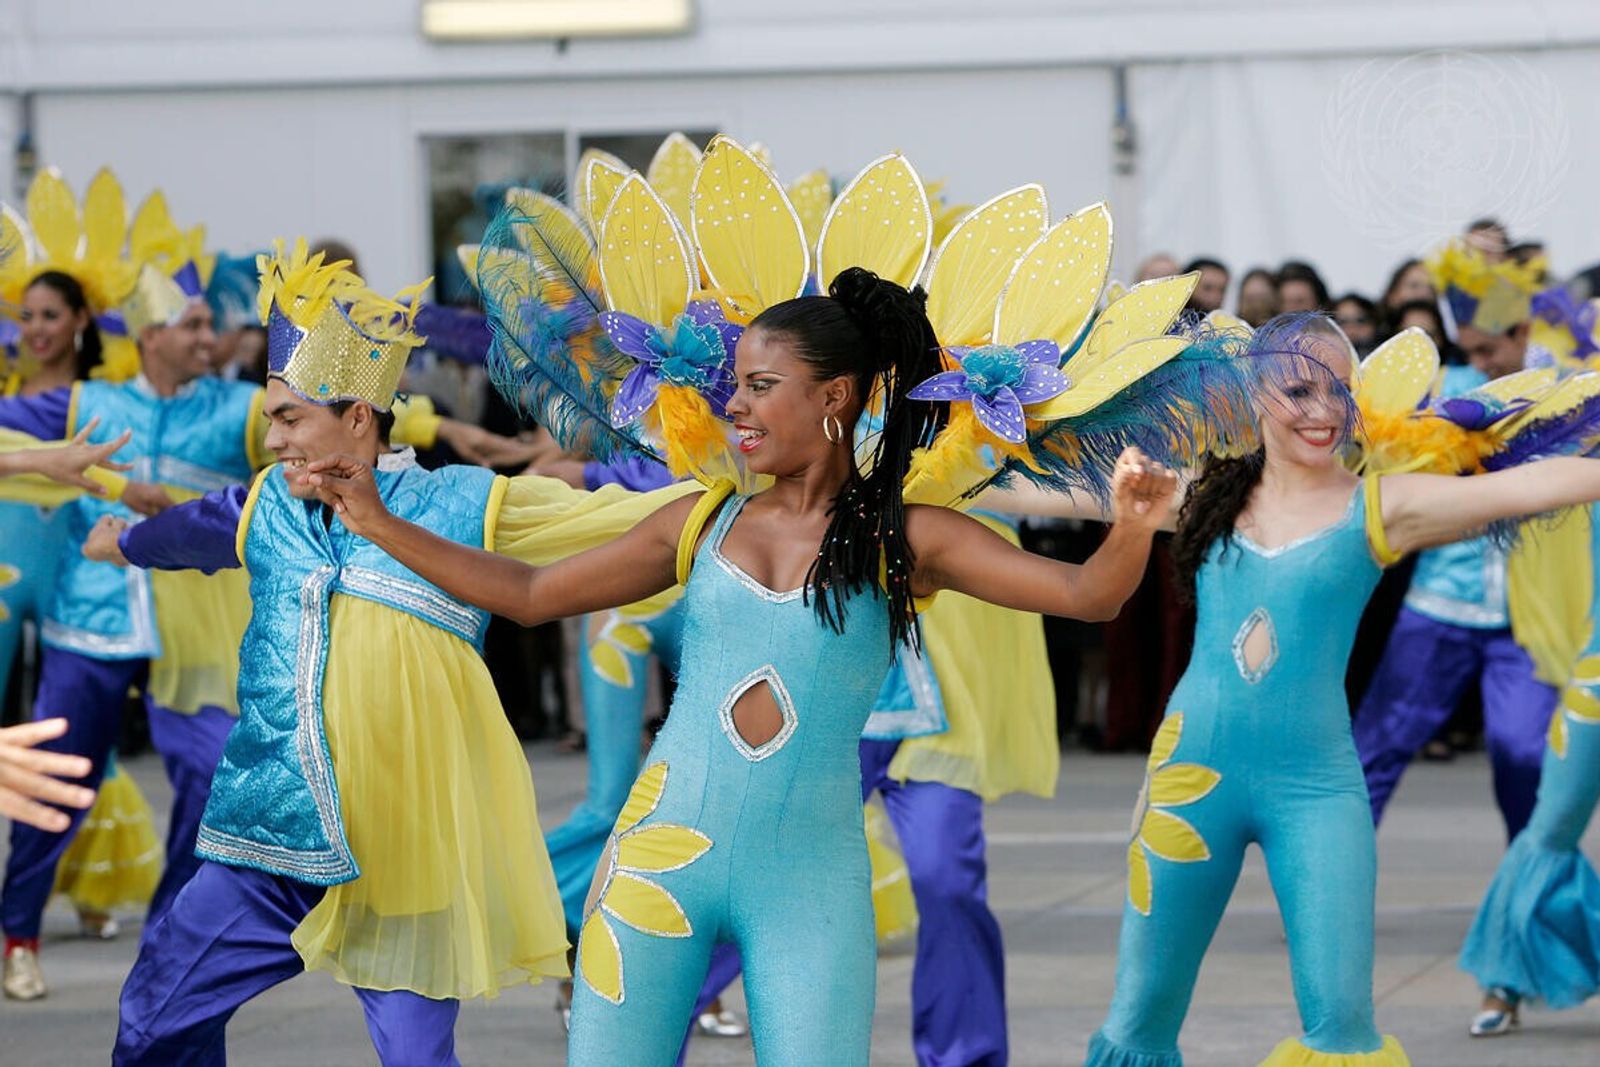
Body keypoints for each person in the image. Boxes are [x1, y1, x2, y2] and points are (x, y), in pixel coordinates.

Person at [308, 265, 1180, 1067]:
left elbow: (1088, 595)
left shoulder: (906, 539)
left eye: (763, 387)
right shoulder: (701, 518)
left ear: (835, 395)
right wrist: (378, 520)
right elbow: (532, 592)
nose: (737, 408)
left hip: (811, 885)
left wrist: (1134, 523)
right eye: (737, 388)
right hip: (655, 862)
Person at [95, 241, 694, 1066]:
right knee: (155, 1017)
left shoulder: (456, 503)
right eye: (272, 416)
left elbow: (604, 515)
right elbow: (187, 530)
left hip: (406, 844)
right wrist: (124, 541)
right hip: (270, 828)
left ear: (356, 417)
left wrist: (743, 494)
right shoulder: (266, 502)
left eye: (288, 416)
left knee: (416, 1058)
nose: (272, 440)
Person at [1084, 312, 1600, 1067]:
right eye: (1298, 388)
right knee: (1139, 1018)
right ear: (1251, 392)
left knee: (1341, 1023)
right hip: (1187, 784)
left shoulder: (1381, 505)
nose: (1324, 410)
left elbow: (1532, 484)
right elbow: (1052, 495)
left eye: (1340, 390)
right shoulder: (1197, 494)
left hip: (1316, 791)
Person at [1353, 240, 1553, 841]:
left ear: (1521, 329)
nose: (1478, 361)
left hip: (1528, 616)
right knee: (1374, 750)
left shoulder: (1567, 389)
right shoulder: (1448, 388)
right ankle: (1328, 886)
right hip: (1440, 601)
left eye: (1488, 348)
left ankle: (1533, 903)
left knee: (1526, 758)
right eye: (1467, 347)